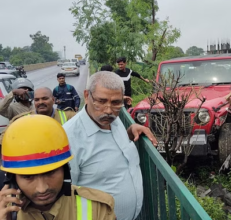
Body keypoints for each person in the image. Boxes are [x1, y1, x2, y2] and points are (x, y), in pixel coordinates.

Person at [63, 71, 158, 220]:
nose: (108, 110)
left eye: (115, 103)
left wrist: (130, 131)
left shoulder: (112, 119)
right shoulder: (68, 138)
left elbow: (110, 147)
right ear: (87, 96)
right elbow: (64, 195)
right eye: (101, 101)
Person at [0, 115, 116, 220]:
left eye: (50, 173)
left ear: (65, 170)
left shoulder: (98, 209)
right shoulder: (4, 211)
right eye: (28, 177)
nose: (42, 189)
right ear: (12, 179)